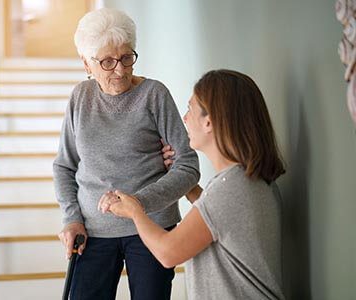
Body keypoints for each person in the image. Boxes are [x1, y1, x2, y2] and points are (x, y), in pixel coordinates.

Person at [53, 8, 200, 300]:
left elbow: (188, 166)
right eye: (107, 62)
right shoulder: (80, 98)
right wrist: (71, 218)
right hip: (92, 231)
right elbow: (64, 167)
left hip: (152, 226)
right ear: (87, 63)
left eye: (126, 57)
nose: (119, 70)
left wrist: (137, 205)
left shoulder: (154, 95)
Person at [106, 69, 286, 299]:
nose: (185, 118)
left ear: (209, 122)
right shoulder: (246, 181)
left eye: (190, 109)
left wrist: (135, 211)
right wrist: (189, 188)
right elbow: (218, 221)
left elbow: (167, 252)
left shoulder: (229, 189)